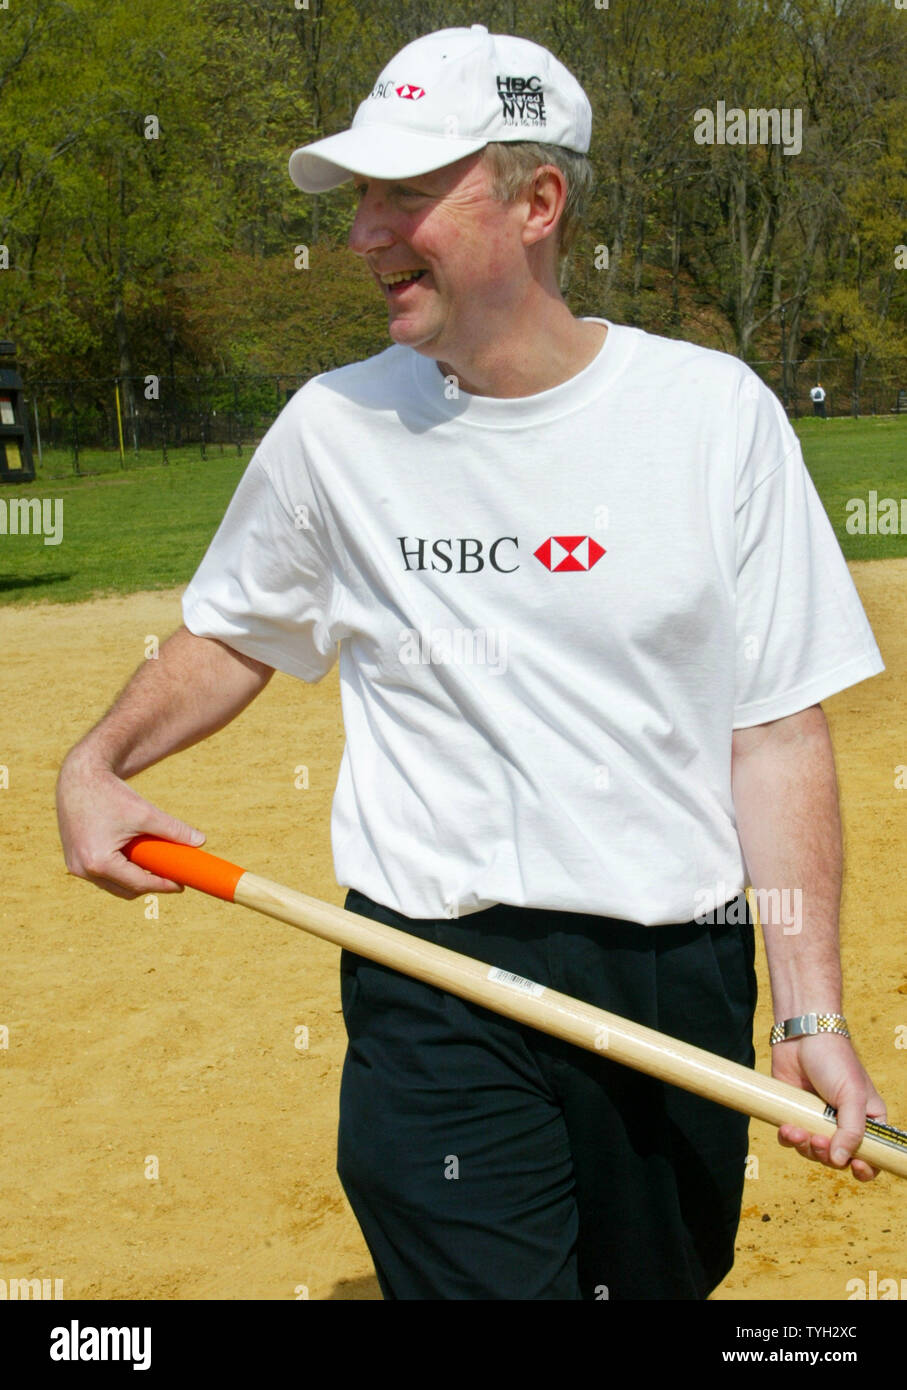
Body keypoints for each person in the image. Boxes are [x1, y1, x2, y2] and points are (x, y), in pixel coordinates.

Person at [56, 25, 890, 1300]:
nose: (363, 234)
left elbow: (772, 729)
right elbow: (236, 630)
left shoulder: (712, 418)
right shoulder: (335, 427)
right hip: (428, 975)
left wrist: (810, 1011)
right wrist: (100, 759)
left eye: (404, 193)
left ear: (537, 201)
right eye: (360, 199)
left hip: (675, 966)